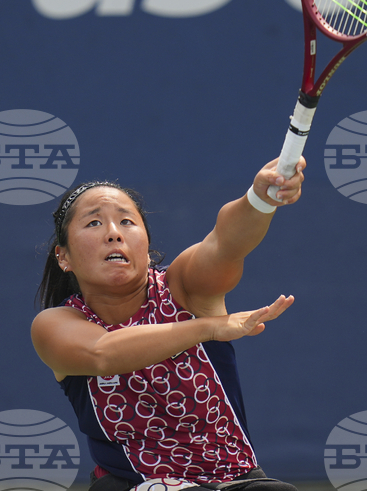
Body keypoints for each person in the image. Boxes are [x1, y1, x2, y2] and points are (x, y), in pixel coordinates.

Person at [31, 158, 306, 491]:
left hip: (236, 482)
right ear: (64, 257)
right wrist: (209, 328)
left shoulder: (184, 288)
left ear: (147, 249)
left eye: (126, 221)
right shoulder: (55, 324)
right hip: (132, 485)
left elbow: (225, 243)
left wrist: (260, 199)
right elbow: (102, 354)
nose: (114, 234)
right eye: (93, 224)